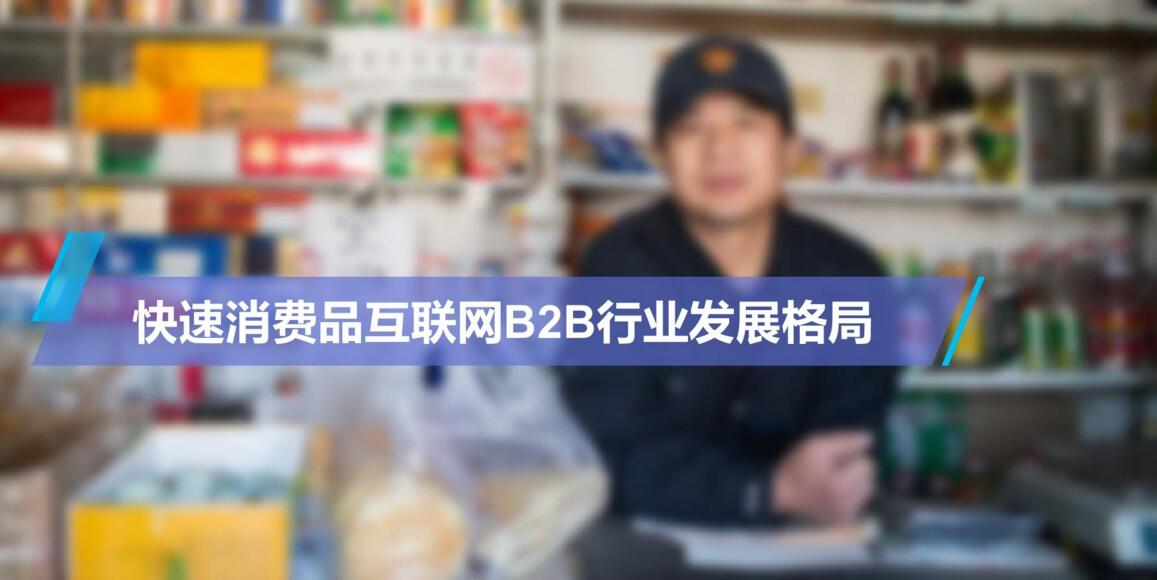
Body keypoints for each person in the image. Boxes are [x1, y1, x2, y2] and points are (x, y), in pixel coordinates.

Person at [562, 36, 898, 527]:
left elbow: (843, 460)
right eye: (692, 128)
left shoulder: (848, 276)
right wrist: (770, 491)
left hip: (811, 550)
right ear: (661, 154)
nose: (721, 150)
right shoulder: (617, 268)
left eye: (747, 124)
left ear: (790, 149)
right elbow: (605, 454)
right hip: (649, 554)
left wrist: (802, 491)